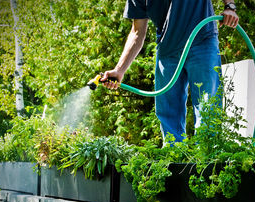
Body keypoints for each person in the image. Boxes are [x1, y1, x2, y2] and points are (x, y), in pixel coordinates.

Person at [101, 0, 239, 142]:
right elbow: (137, 32)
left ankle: (209, 160)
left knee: (207, 109)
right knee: (168, 116)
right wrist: (119, 70)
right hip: (168, 49)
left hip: (202, 41)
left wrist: (230, 6)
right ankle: (173, 158)